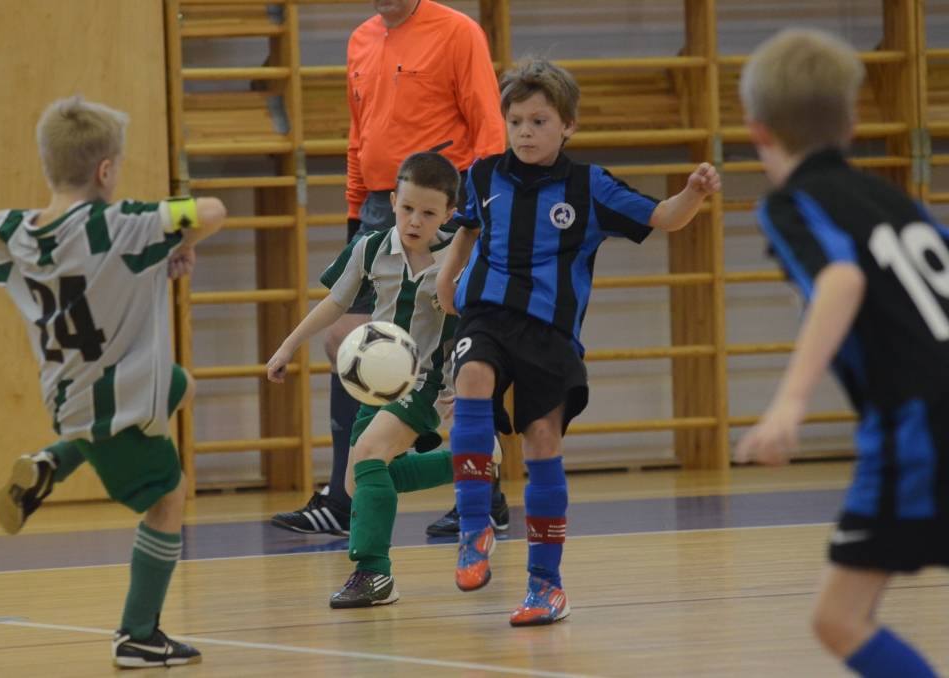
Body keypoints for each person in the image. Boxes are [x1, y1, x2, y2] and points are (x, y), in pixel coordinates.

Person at [0, 92, 226, 667]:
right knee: (169, 497)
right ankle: (138, 634)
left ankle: (53, 461)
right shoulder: (122, 224)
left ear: (48, 165)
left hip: (70, 393)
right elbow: (211, 211)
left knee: (182, 386)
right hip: (115, 402)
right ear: (105, 170)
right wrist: (178, 239)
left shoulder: (18, 232)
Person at [436, 59, 720, 626]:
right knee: (471, 376)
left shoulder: (590, 186)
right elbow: (467, 228)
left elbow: (663, 218)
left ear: (567, 125)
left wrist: (692, 193)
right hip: (488, 316)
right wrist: (448, 283)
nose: (525, 132)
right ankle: (473, 528)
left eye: (539, 121)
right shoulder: (484, 174)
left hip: (550, 332)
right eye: (516, 121)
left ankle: (546, 586)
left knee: (542, 440)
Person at [735, 29, 947, 678]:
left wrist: (788, 406)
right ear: (852, 125)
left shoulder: (792, 203)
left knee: (839, 619)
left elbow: (842, 280)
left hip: (918, 424)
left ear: (758, 132)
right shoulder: (899, 203)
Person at [269, 0, 509, 539]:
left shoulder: (457, 32)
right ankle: (344, 496)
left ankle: (482, 492)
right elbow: (361, 135)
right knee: (346, 339)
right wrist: (357, 212)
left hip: (446, 208)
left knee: (456, 345)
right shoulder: (360, 39)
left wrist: (480, 215)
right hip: (383, 207)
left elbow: (488, 127)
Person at [267, 152, 498, 606]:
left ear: (449, 214)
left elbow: (480, 321)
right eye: (407, 208)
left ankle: (374, 573)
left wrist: (468, 386)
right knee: (360, 481)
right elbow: (335, 303)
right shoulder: (371, 248)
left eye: (428, 213)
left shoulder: (462, 256)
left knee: (370, 455)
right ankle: (470, 462)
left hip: (427, 382)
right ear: (392, 201)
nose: (415, 221)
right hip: (376, 382)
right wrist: (288, 346)